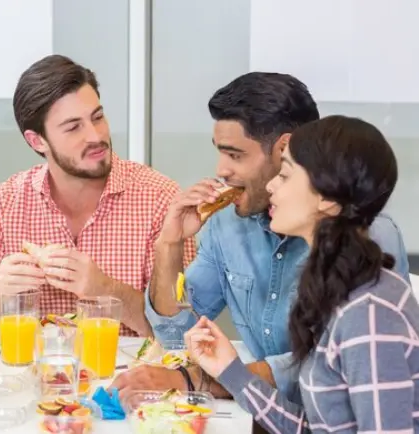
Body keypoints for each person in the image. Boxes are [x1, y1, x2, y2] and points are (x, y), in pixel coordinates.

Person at [112, 72, 410, 400]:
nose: (221, 170)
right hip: (265, 411)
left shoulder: (369, 235)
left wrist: (193, 380)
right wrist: (169, 243)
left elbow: (321, 369)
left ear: (285, 149)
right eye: (220, 153)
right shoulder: (226, 222)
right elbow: (174, 333)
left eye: (235, 155)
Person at [185, 115, 418, 433]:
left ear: (327, 199)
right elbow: (316, 428)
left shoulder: (370, 313)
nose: (270, 186)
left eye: (284, 175)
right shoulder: (338, 286)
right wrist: (230, 370)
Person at [0, 55, 196, 336]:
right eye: (73, 127)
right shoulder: (2, 204)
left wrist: (104, 289)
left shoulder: (160, 198)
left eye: (97, 117)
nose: (95, 136)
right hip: (31, 375)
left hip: (129, 377)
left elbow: (181, 333)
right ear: (37, 141)